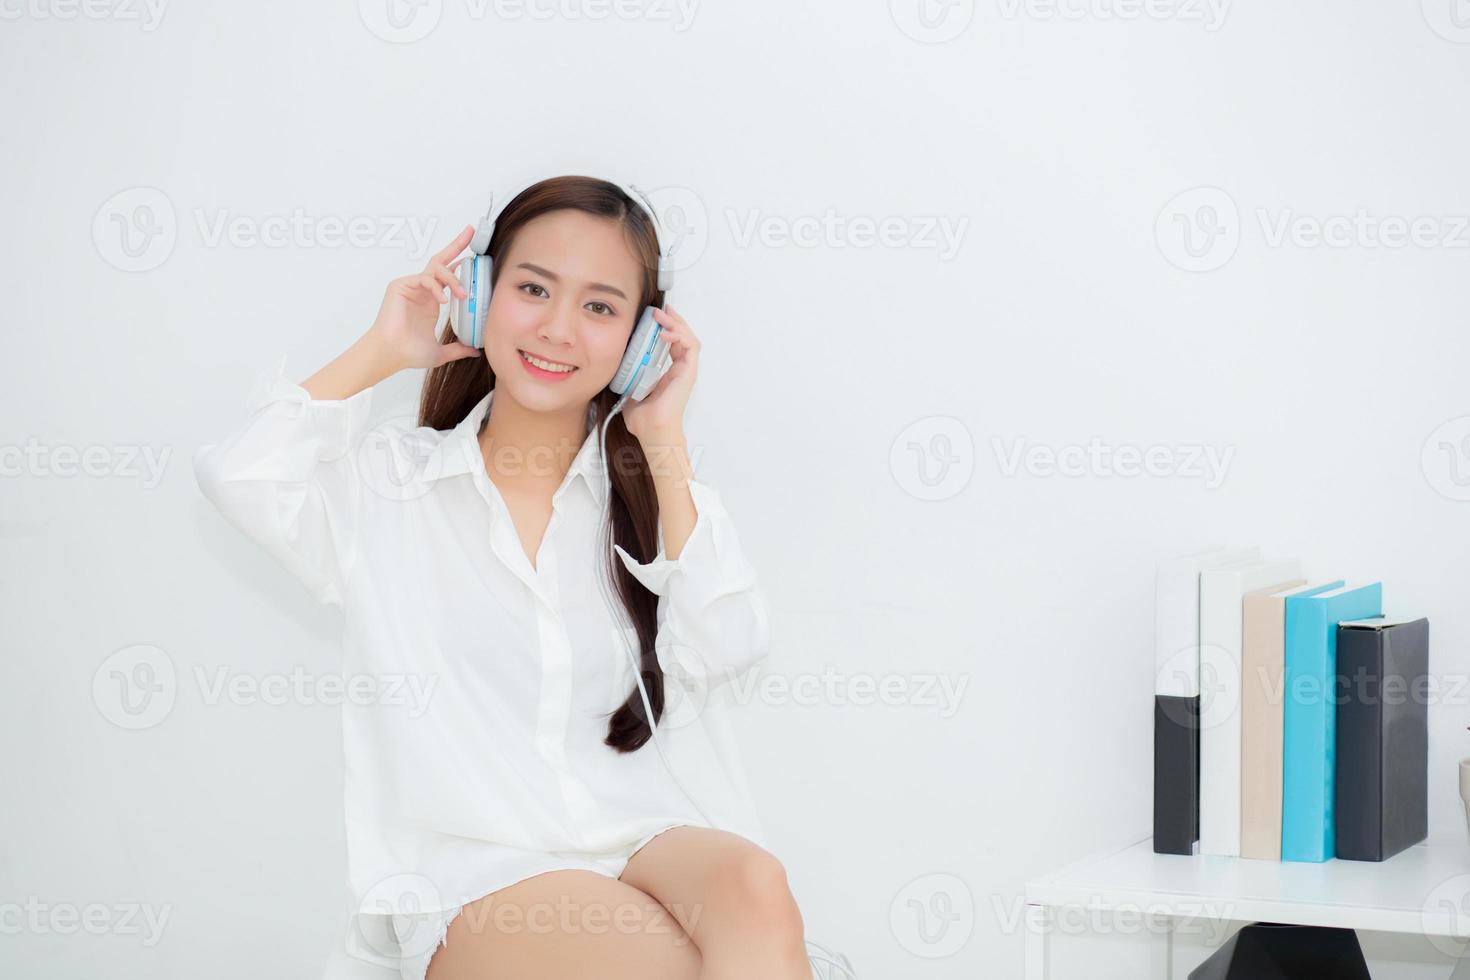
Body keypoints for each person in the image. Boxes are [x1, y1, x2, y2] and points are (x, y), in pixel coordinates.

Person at [193, 176, 810, 979]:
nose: (558, 328)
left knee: (757, 886)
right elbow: (240, 476)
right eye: (532, 289)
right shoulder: (389, 487)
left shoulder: (655, 494)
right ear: (478, 296)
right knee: (669, 965)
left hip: (643, 835)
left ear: (640, 340)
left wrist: (662, 436)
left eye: (599, 307)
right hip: (478, 871)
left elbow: (726, 647)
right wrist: (383, 350)